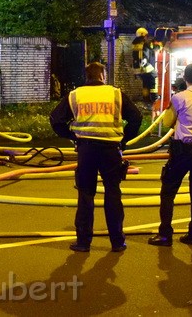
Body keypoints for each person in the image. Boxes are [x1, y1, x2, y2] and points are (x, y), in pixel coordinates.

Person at [50, 61, 143, 253]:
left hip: (86, 150)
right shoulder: (115, 93)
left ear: (87, 76)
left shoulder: (76, 95)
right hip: (111, 150)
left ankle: (83, 242)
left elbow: (56, 119)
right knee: (113, 193)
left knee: (86, 195)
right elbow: (136, 117)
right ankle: (117, 241)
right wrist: (124, 139)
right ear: (103, 76)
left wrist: (71, 135)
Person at [149, 63, 192, 247]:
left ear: (185, 78)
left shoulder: (179, 98)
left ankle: (165, 235)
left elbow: (169, 121)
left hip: (182, 151)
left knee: (168, 192)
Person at [131, 27, 158, 104]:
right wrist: (161, 45)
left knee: (145, 84)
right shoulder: (145, 42)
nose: (147, 37)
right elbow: (154, 47)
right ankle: (154, 98)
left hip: (137, 68)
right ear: (143, 35)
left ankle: (146, 99)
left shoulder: (134, 43)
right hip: (144, 66)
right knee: (154, 75)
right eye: (146, 35)